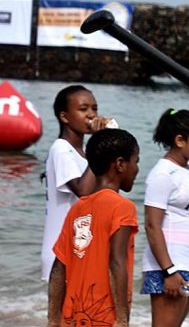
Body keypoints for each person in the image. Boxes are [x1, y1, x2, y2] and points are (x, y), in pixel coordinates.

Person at [47, 128, 140, 327]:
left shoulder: (78, 208)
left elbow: (58, 268)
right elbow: (116, 262)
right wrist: (123, 320)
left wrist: (53, 319)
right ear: (120, 164)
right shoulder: (123, 207)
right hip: (105, 316)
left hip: (72, 317)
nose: (137, 169)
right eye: (136, 161)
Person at [141, 109, 189, 327]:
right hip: (169, 265)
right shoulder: (162, 174)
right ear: (179, 140)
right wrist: (168, 271)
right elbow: (152, 226)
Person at [41, 85, 115, 281]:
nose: (91, 115)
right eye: (83, 109)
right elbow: (82, 190)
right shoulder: (61, 149)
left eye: (94, 109)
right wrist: (99, 142)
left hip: (80, 248)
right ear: (64, 116)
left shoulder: (83, 154)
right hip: (61, 252)